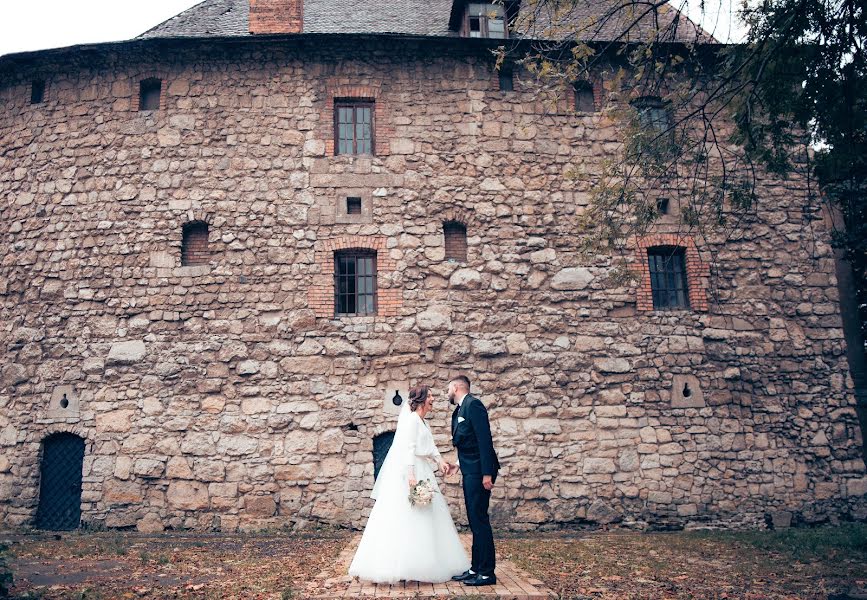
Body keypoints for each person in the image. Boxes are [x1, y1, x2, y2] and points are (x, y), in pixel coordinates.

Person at [348, 385, 470, 583]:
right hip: (412, 471)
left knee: (427, 518)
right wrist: (411, 476)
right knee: (407, 516)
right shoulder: (412, 421)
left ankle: (425, 563)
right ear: (421, 400)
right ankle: (401, 565)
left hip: (424, 470)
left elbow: (429, 447)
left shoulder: (423, 422)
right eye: (430, 396)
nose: (433, 399)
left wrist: (440, 462)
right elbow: (408, 449)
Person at [448, 375, 500, 587]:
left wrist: (487, 473)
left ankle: (487, 573)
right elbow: (468, 444)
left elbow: (484, 439)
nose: (447, 393)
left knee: (479, 521)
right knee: (474, 520)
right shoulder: (460, 409)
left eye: (448, 389)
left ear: (457, 387)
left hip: (480, 473)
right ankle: (476, 568)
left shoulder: (473, 405)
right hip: (470, 469)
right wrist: (458, 464)